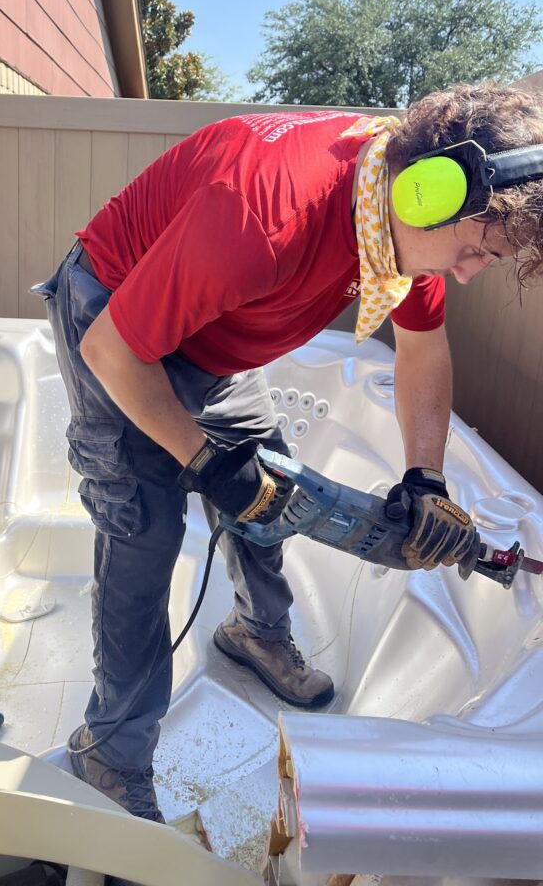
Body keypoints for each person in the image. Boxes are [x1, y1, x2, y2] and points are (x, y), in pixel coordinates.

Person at [34, 82, 543, 824]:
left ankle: (257, 633)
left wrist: (425, 476)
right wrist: (202, 461)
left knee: (272, 484)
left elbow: (423, 349)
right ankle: (108, 755)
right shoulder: (265, 213)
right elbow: (113, 349)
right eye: (472, 251)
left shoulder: (397, 220)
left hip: (215, 327)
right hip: (113, 314)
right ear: (424, 194)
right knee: (144, 528)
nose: (468, 272)